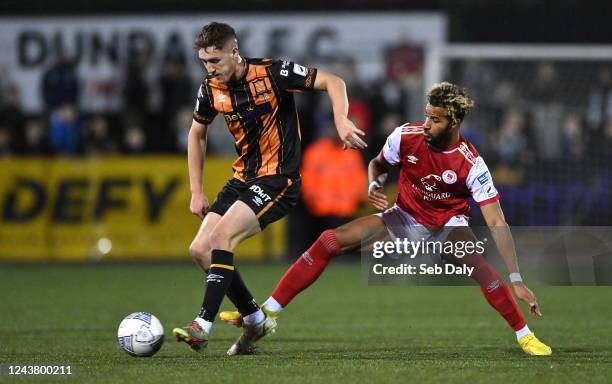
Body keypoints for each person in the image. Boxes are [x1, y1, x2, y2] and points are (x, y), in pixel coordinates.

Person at [221, 82, 553, 356]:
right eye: (426, 116)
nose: (426, 125)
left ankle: (525, 336)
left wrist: (517, 277)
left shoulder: (471, 165)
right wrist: (374, 183)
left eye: (435, 120)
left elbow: (497, 222)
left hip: (446, 227)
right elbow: (377, 164)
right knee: (328, 241)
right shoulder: (405, 136)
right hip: (403, 219)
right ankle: (267, 314)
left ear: (454, 122)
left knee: (483, 271)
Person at [172, 22, 366, 355]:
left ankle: (202, 324)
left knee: (221, 238)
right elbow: (196, 134)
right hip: (242, 178)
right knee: (200, 250)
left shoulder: (274, 72)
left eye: (215, 61)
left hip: (279, 179)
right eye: (205, 62)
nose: (210, 69)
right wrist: (196, 190)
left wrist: (341, 119)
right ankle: (254, 316)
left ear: (234, 52)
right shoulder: (209, 89)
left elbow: (334, 81)